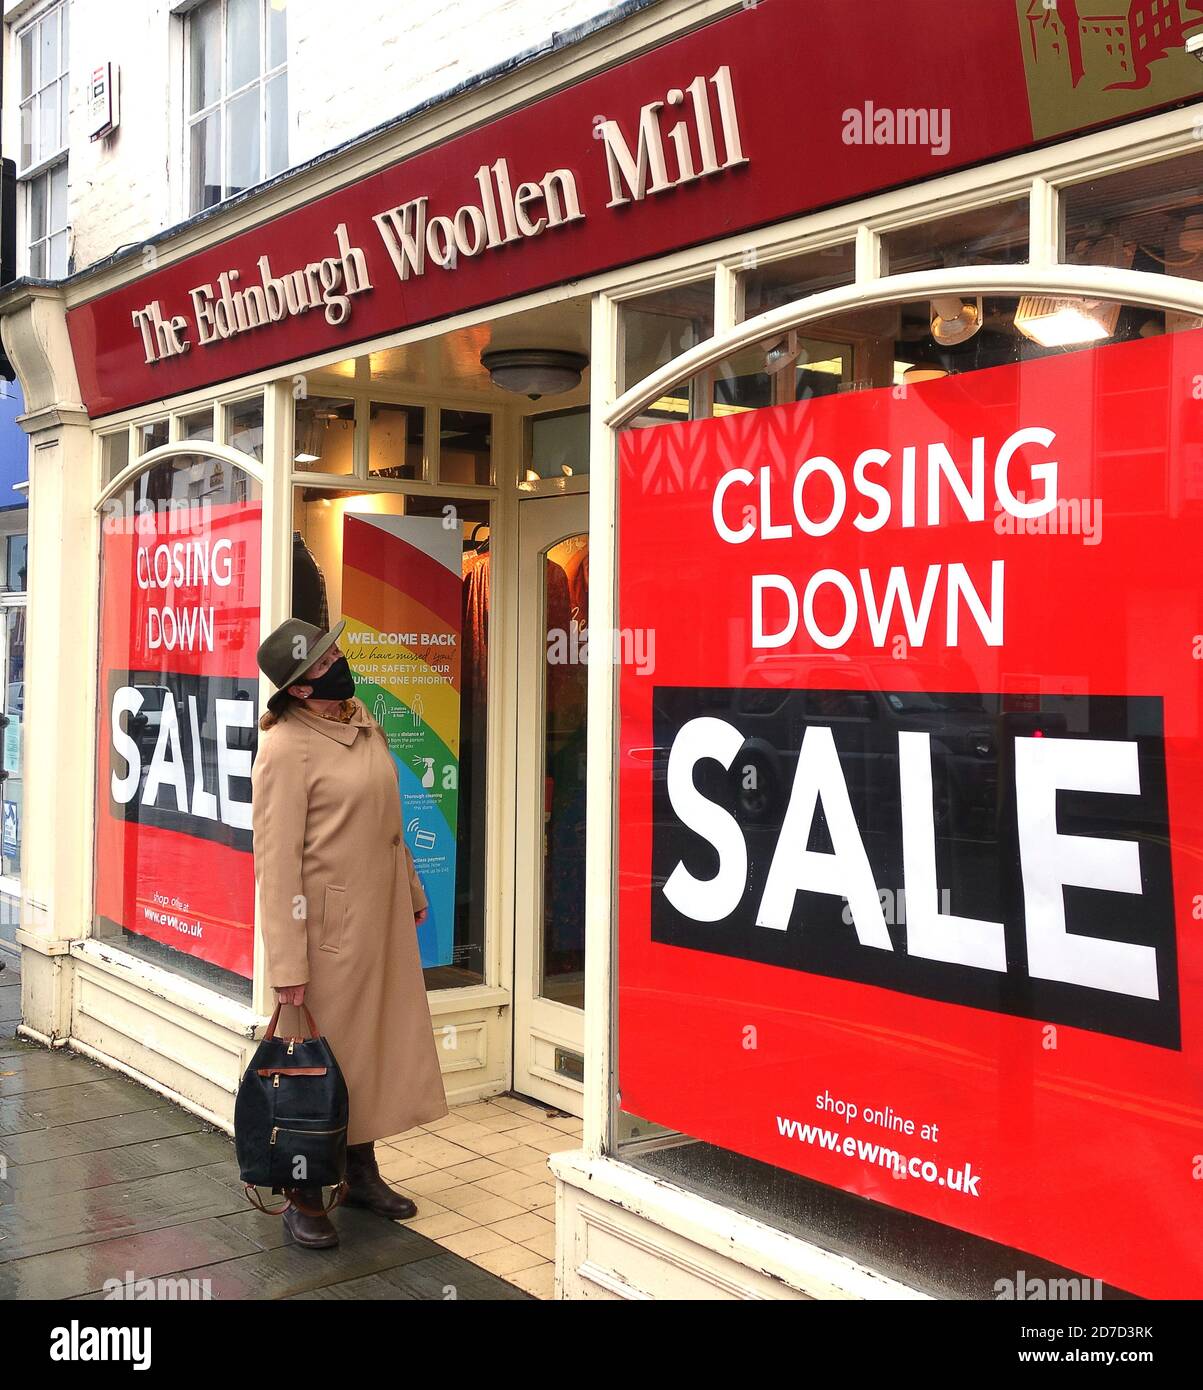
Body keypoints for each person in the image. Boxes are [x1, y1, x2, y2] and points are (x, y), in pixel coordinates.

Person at [251, 616, 448, 1249]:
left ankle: (360, 1171)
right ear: (301, 690)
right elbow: (275, 864)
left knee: (369, 1051)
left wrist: (413, 891)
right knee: (319, 1060)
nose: (340, 658)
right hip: (326, 933)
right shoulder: (285, 747)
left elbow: (389, 822)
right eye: (324, 658)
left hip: (380, 920)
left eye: (335, 648)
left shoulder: (360, 719)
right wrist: (287, 967)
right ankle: (303, 1191)